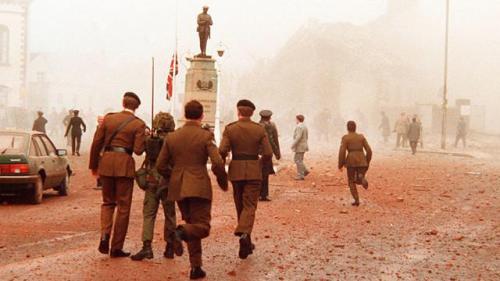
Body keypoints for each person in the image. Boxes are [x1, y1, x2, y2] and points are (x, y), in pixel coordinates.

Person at [156, 100, 227, 280]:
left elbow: (160, 165)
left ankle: (196, 267)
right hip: (199, 184)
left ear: (185, 114)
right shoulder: (206, 136)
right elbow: (217, 162)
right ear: (202, 115)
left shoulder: (172, 137)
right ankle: (178, 233)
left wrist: (174, 176)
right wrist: (222, 180)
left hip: (178, 186)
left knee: (192, 224)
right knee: (203, 227)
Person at [89, 92, 146, 258]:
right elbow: (138, 150)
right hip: (124, 166)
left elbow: (96, 142)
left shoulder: (108, 119)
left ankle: (104, 236)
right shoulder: (138, 124)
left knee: (107, 203)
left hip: (106, 164)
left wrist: (94, 166)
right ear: (136, 107)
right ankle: (116, 247)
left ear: (123, 103)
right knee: (123, 207)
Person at [219, 99, 273, 260]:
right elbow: (268, 152)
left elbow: (222, 150)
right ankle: (244, 236)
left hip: (235, 171)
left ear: (238, 112)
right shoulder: (259, 130)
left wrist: (222, 163)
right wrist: (259, 164)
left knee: (240, 206)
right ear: (252, 113)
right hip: (253, 172)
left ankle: (246, 240)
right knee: (249, 206)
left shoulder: (230, 129)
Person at [131, 112, 182, 261]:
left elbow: (141, 150)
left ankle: (147, 247)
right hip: (169, 181)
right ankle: (170, 247)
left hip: (152, 180)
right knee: (170, 215)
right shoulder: (176, 141)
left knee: (149, 214)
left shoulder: (150, 140)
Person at [338, 121, 372, 206]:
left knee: (351, 181)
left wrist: (340, 164)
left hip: (351, 161)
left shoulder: (345, 138)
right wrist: (367, 161)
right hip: (362, 160)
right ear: (355, 127)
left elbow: (342, 152)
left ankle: (356, 200)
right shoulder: (361, 137)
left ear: (347, 128)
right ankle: (361, 177)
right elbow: (369, 150)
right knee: (359, 177)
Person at [258, 110, 281, 201]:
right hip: (267, 154)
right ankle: (264, 195)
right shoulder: (271, 126)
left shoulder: (257, 126)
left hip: (258, 154)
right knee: (265, 174)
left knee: (258, 174)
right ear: (269, 117)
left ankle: (259, 194)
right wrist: (277, 153)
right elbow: (274, 140)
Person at [292, 114, 309, 180]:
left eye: (296, 119)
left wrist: (293, 144)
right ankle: (305, 171)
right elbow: (306, 136)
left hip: (300, 146)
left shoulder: (299, 127)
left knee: (297, 160)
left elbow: (298, 137)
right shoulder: (304, 126)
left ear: (298, 119)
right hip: (303, 145)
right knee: (299, 160)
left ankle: (300, 175)